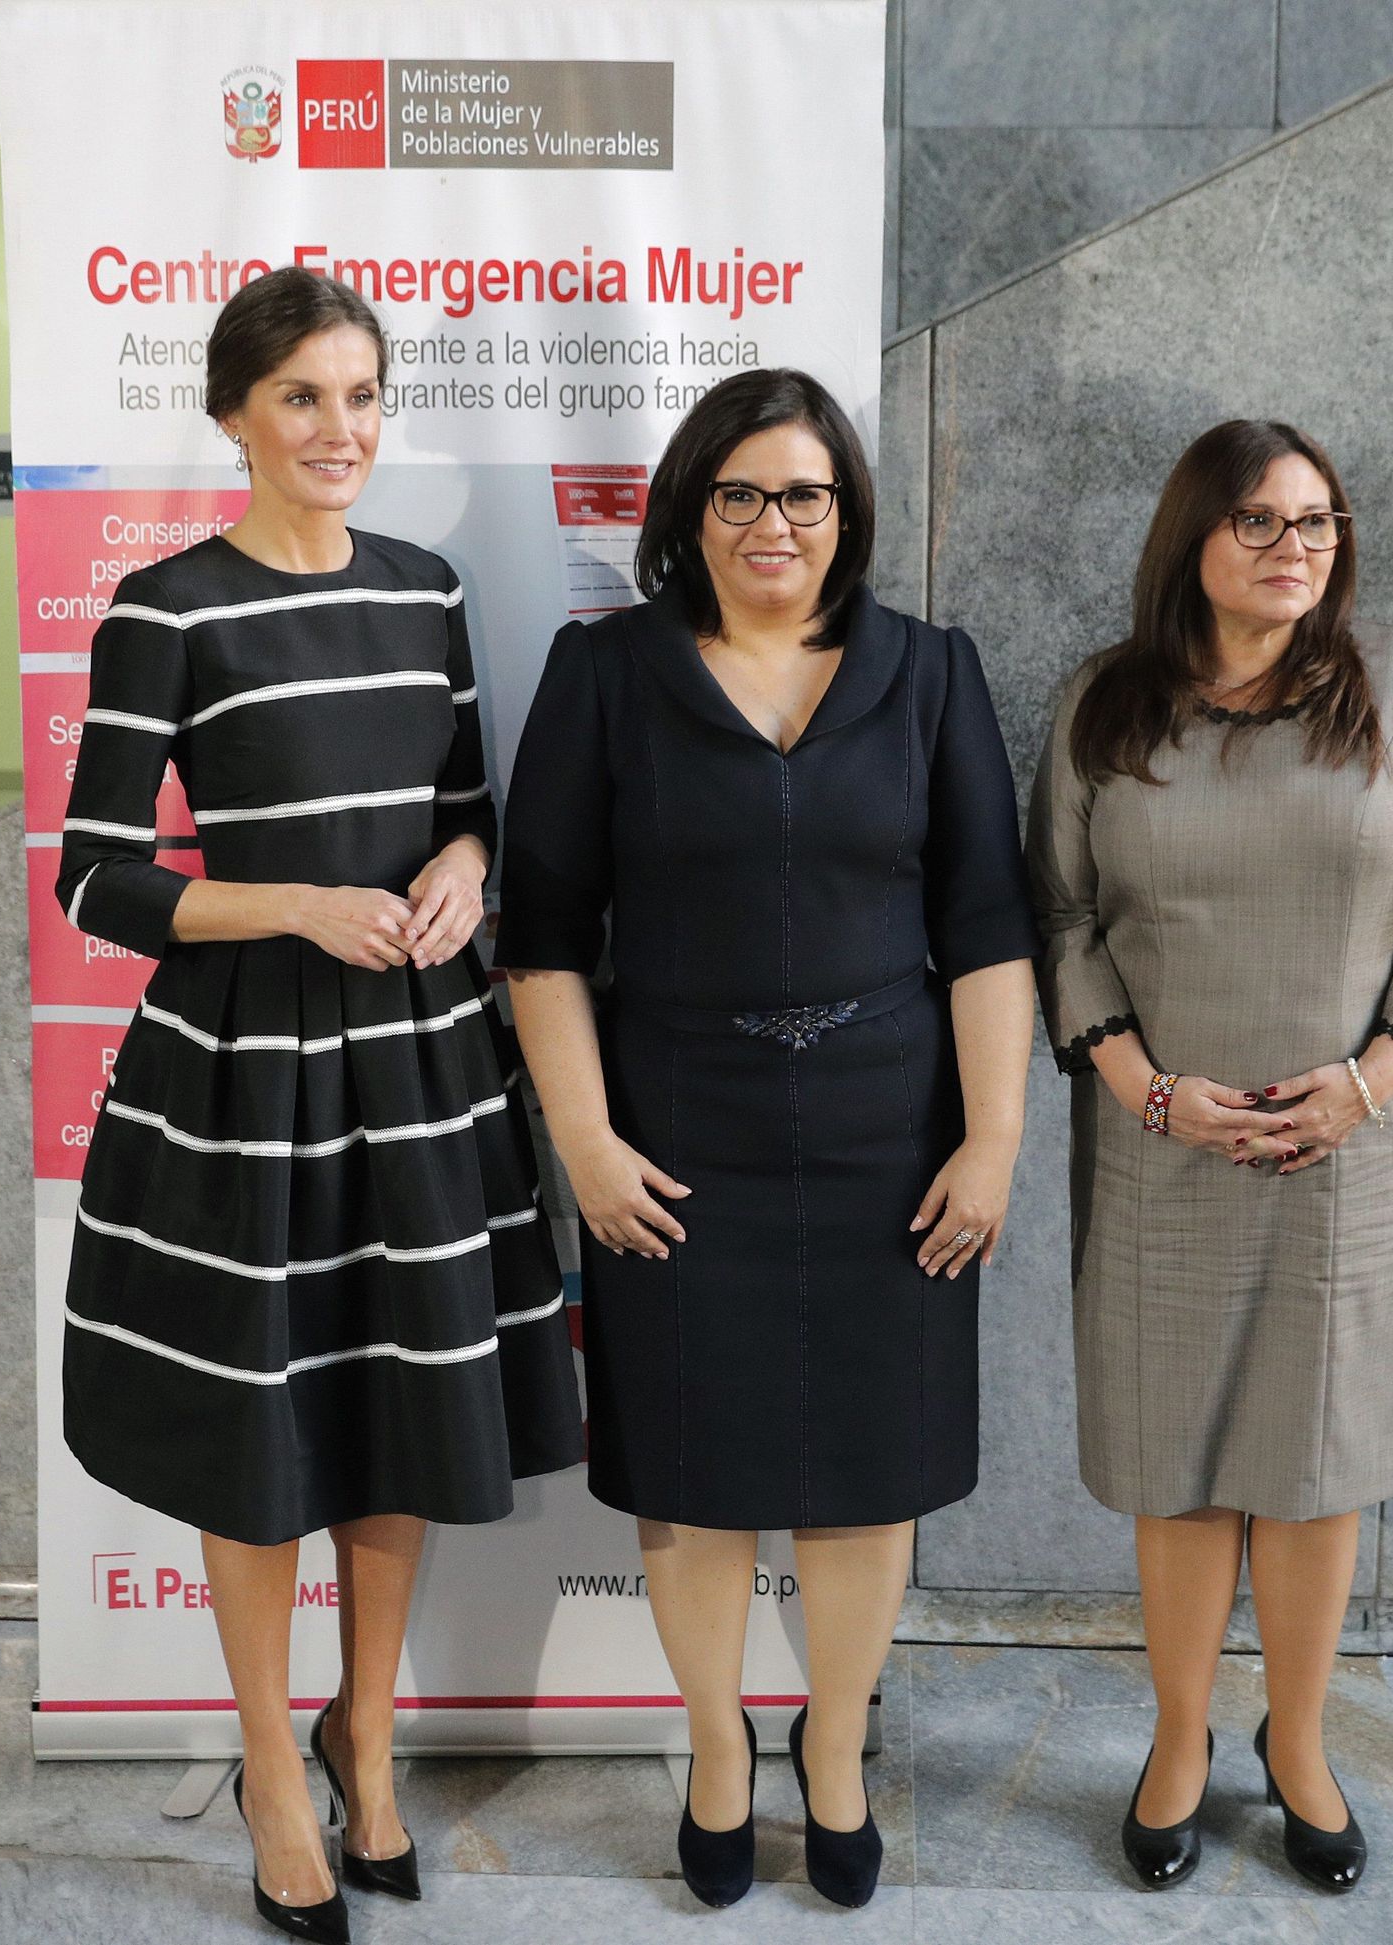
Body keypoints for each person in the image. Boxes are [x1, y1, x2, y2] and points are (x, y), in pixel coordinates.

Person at [56, 266, 583, 1943]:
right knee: (262, 1419)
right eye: (302, 397)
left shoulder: (427, 592)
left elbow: (473, 811)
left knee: (399, 1390)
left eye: (361, 395)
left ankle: (369, 1735)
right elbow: (97, 880)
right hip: (241, 1076)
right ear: (235, 415)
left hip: (424, 1064)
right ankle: (272, 1769)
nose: (339, 428)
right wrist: (284, 900)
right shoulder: (168, 607)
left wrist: (458, 865)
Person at [495, 367, 1038, 1909]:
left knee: (869, 1479)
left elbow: (989, 925)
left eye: (803, 493)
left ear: (846, 513)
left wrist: (993, 1135)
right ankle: (722, 1743)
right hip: (676, 1140)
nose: (772, 522)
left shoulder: (930, 673)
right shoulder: (604, 677)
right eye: (738, 493)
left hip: (891, 1142)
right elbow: (542, 932)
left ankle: (839, 1745)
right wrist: (583, 1138)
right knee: (697, 1475)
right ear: (690, 513)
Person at [1026, 419, 1393, 1894]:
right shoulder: (1106, 703)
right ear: (1193, 540)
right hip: (1164, 1145)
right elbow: (1059, 913)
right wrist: (1143, 1086)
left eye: (1320, 521)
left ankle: (1298, 1742)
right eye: (1261, 523)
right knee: (1178, 1464)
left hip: (1349, 1154)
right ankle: (1181, 1741)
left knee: (1316, 1464)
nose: (1300, 548)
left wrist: (1374, 1077)